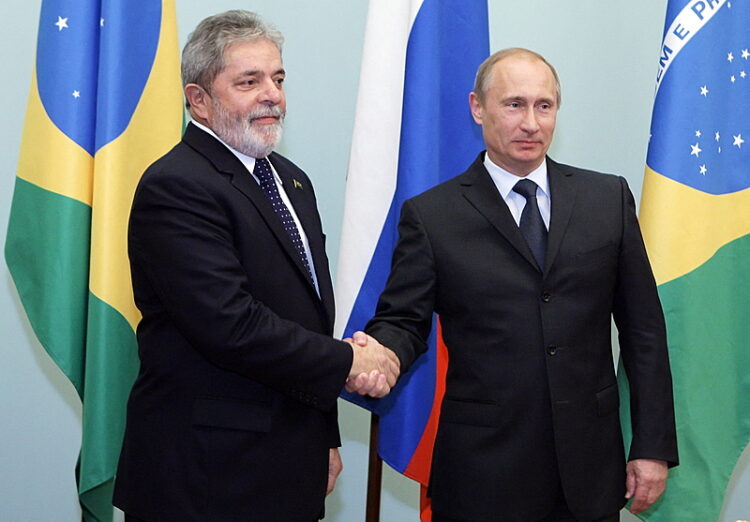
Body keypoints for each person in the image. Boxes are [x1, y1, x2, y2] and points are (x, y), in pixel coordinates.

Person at [358, 48, 678, 522]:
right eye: (513, 105)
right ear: (477, 108)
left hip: (589, 472)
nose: (531, 122)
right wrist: (378, 353)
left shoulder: (607, 199)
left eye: (543, 106)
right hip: (482, 474)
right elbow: (403, 322)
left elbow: (644, 332)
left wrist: (651, 446)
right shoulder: (432, 215)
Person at [113, 10, 398, 522]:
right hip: (205, 478)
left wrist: (323, 435)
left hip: (288, 463)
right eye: (250, 81)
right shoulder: (176, 186)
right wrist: (349, 363)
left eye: (278, 78)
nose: (273, 94)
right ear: (198, 99)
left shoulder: (291, 181)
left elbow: (306, 314)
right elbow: (231, 324)